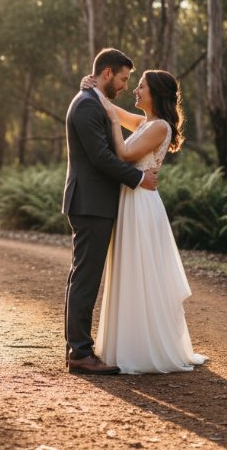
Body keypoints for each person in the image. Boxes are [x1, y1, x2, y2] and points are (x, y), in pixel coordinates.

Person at [85, 68, 207, 374]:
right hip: (132, 199)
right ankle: (128, 342)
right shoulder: (145, 123)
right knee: (130, 269)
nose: (135, 91)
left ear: (156, 94)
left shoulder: (159, 127)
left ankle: (144, 348)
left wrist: (112, 122)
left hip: (141, 204)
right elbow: (114, 109)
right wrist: (94, 88)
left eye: (141, 87)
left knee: (142, 271)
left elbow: (125, 153)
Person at [62, 48, 159, 375]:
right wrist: (139, 178)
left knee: (85, 276)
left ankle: (80, 349)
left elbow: (117, 127)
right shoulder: (86, 106)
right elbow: (102, 157)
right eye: (122, 78)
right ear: (107, 74)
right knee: (86, 278)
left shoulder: (92, 101)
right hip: (89, 203)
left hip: (96, 203)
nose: (124, 85)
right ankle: (79, 352)